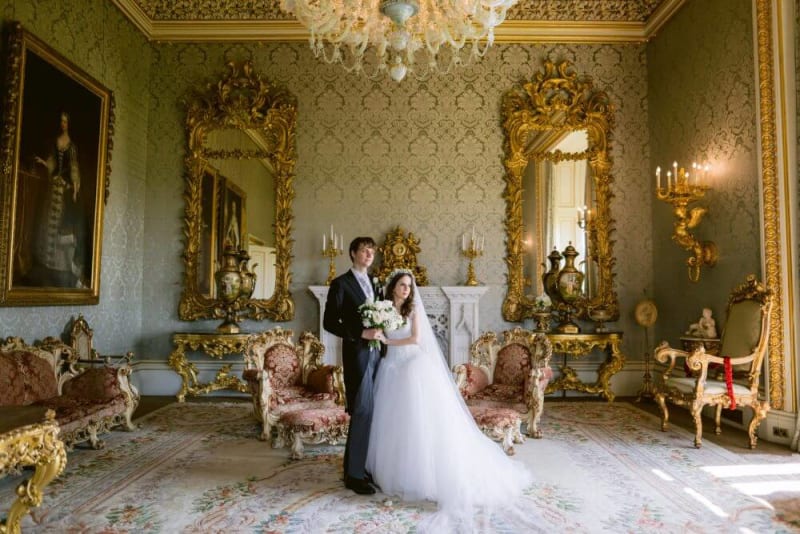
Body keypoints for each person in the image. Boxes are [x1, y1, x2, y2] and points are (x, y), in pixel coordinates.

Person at [366, 269, 539, 531]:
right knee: (392, 419)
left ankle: (421, 474)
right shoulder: (384, 308)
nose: (406, 290)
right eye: (402, 285)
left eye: (409, 287)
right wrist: (378, 336)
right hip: (390, 366)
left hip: (410, 364)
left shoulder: (412, 310)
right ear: (392, 287)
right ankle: (391, 471)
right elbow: (376, 333)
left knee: (417, 418)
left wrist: (387, 340)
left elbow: (415, 338)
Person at [323, 236, 383, 495]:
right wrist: (360, 333)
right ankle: (354, 475)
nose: (369, 254)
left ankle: (361, 467)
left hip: (379, 353)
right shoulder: (340, 284)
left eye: (372, 251)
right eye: (364, 250)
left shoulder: (376, 283)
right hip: (357, 354)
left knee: (374, 411)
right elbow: (329, 322)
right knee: (361, 409)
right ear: (353, 253)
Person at [30, 111, 85, 288]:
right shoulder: (56, 142)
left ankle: (62, 266)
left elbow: (74, 167)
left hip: (65, 189)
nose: (62, 124)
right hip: (53, 186)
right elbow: (53, 162)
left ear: (69, 124)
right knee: (47, 222)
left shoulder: (72, 146)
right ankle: (47, 263)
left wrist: (75, 188)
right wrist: (44, 164)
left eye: (65, 121)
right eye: (61, 121)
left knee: (62, 225)